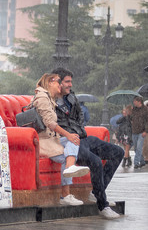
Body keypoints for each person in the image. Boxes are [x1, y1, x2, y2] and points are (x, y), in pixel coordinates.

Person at [53, 67, 124, 219]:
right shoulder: (49, 101)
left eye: (71, 82)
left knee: (118, 152)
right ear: (57, 81)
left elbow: (80, 115)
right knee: (96, 161)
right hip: (68, 142)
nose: (70, 85)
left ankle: (97, 192)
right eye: (67, 82)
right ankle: (102, 205)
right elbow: (54, 124)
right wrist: (71, 132)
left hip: (82, 137)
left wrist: (77, 129)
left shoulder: (71, 97)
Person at [30, 73, 90, 206]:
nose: (60, 85)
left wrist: (70, 136)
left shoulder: (50, 98)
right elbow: (50, 123)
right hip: (43, 141)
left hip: (52, 139)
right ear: (50, 83)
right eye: (58, 82)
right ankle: (65, 194)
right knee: (67, 151)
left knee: (74, 139)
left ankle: (69, 168)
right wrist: (67, 135)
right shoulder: (42, 97)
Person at [130, 96, 148, 169]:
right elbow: (130, 118)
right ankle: (142, 161)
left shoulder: (146, 110)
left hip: (142, 131)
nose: (134, 102)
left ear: (139, 102)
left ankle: (136, 163)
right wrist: (130, 112)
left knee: (139, 147)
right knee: (136, 148)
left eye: (135, 101)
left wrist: (145, 131)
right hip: (134, 131)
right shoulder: (134, 110)